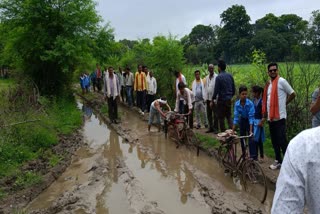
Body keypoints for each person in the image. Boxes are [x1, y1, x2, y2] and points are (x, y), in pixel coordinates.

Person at [271, 126, 320, 213]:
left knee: (279, 140)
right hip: (272, 122)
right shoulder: (302, 144)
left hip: (277, 122)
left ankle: (278, 160)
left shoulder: (301, 144)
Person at [262, 62, 296, 170]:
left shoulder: (282, 81)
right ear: (268, 72)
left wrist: (284, 103)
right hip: (271, 118)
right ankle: (278, 160)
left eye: (274, 70)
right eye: (271, 70)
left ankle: (288, 162)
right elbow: (267, 101)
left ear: (277, 71)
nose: (273, 72)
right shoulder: (269, 84)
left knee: (282, 140)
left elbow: (293, 93)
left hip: (280, 117)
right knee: (274, 140)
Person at [211, 60, 235, 132]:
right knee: (229, 116)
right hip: (228, 100)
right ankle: (232, 133)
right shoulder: (230, 76)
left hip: (221, 101)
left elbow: (216, 91)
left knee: (221, 118)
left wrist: (213, 99)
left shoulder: (218, 77)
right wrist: (230, 96)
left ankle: (224, 135)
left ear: (219, 68)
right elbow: (233, 89)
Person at [232, 86, 255, 159]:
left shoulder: (250, 103)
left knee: (251, 139)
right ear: (239, 94)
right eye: (243, 94)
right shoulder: (237, 104)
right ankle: (244, 155)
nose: (244, 96)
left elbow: (251, 117)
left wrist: (251, 130)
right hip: (242, 120)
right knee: (242, 138)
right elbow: (236, 117)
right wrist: (233, 130)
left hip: (249, 122)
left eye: (246, 94)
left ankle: (252, 158)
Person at [251, 85, 265, 162]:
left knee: (259, 140)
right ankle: (255, 155)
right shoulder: (253, 101)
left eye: (253, 92)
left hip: (259, 122)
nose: (252, 94)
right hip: (253, 121)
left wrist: (262, 121)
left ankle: (262, 156)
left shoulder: (262, 101)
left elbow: (263, 112)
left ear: (257, 93)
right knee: (254, 139)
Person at [204, 64, 218, 133]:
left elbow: (217, 88)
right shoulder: (206, 77)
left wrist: (215, 99)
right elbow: (206, 88)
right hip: (208, 98)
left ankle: (216, 128)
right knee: (209, 114)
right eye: (210, 68)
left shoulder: (216, 77)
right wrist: (205, 98)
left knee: (215, 114)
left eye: (212, 68)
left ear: (214, 69)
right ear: (208, 69)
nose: (211, 70)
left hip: (214, 99)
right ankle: (211, 127)